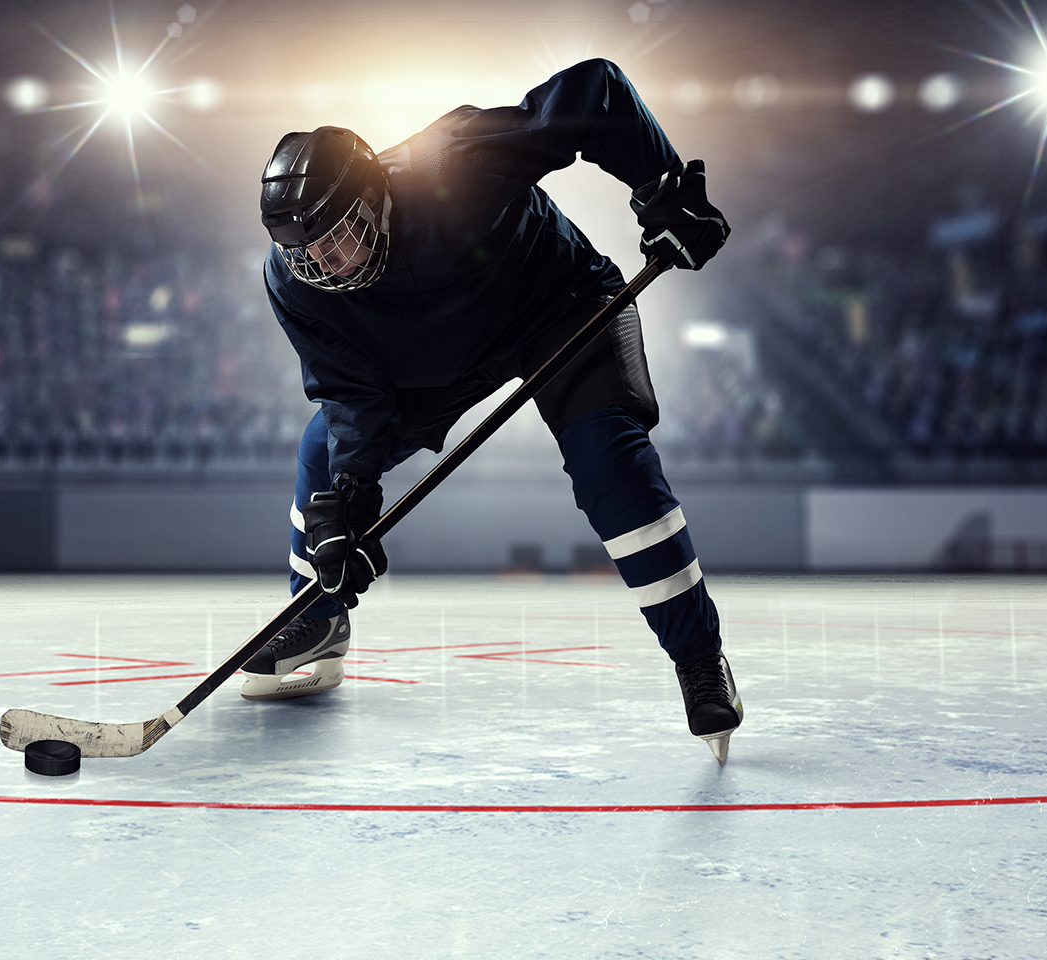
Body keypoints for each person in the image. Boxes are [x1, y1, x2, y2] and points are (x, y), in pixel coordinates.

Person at [241, 58, 743, 763]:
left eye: (336, 237)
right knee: (324, 456)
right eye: (304, 252)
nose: (324, 265)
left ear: (375, 196)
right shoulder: (295, 282)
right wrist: (351, 500)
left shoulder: (454, 163)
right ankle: (318, 616)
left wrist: (660, 186)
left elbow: (594, 91)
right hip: (435, 360)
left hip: (558, 311)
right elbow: (352, 392)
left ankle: (698, 657)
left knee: (611, 466)